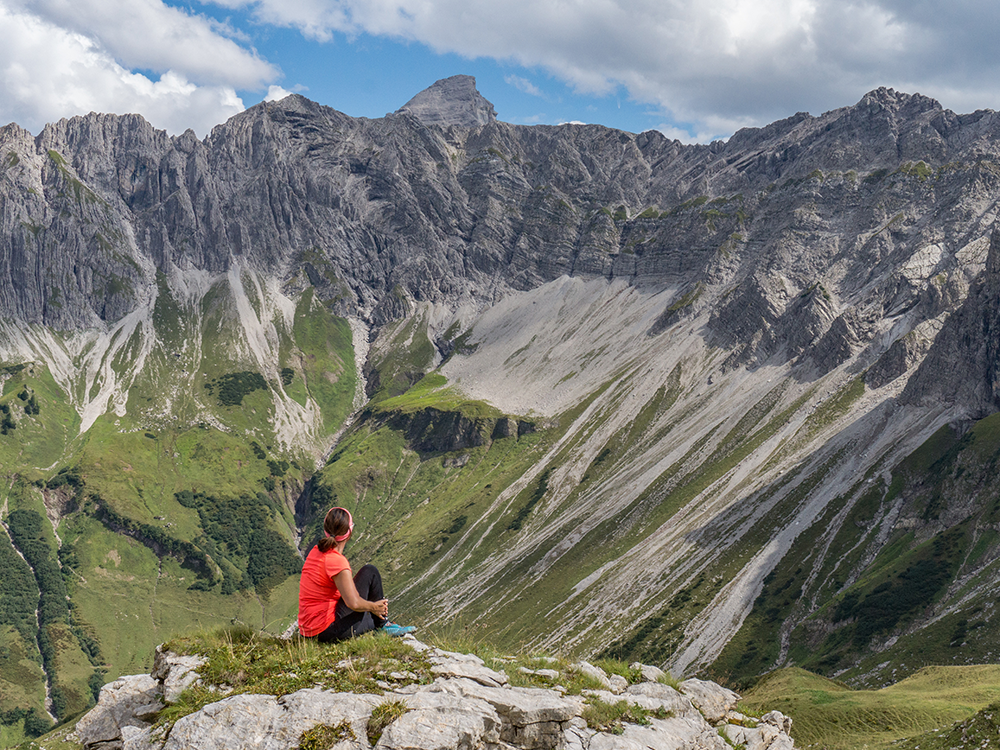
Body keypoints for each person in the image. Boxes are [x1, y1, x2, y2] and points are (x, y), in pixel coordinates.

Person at [298, 506, 414, 641]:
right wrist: (374, 607)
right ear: (349, 531)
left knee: (368, 573)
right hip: (326, 632)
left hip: (307, 630)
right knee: (371, 573)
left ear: (326, 530)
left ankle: (382, 623)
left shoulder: (316, 551)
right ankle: (382, 624)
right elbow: (353, 603)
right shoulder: (337, 562)